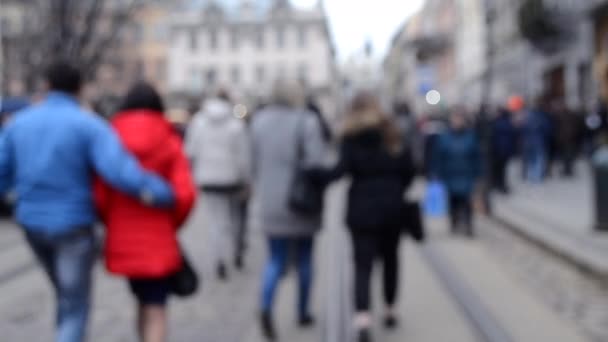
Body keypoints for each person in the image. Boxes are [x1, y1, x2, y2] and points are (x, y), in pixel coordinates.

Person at [0, 61, 175, 342]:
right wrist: (160, 192)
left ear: (46, 86)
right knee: (74, 305)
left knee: (64, 294)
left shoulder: (19, 123)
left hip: (32, 223)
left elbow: (2, 171)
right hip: (73, 226)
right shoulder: (88, 125)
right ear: (79, 89)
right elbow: (119, 172)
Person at [94, 83, 196, 342]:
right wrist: (172, 223)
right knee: (156, 307)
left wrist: (112, 223)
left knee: (142, 301)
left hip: (122, 238)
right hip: (159, 237)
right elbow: (185, 194)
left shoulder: (110, 139)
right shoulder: (169, 139)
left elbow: (99, 195)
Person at [322, 92, 415, 342]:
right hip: (392, 208)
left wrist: (312, 175)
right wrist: (396, 188)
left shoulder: (350, 137)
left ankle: (362, 318)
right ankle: (390, 309)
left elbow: (339, 171)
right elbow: (409, 169)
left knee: (362, 265)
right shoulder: (392, 132)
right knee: (391, 260)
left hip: (361, 208)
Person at [251, 80, 326, 341]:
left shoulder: (258, 121)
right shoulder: (307, 121)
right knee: (305, 258)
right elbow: (316, 161)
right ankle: (303, 311)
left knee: (275, 259)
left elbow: (252, 161)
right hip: (301, 201)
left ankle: (265, 307)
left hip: (270, 202)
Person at [185, 90, 250, 280]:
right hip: (231, 178)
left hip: (207, 178)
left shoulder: (198, 122)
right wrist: (246, 178)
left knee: (216, 221)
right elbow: (243, 157)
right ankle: (235, 251)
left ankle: (219, 258)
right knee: (233, 218)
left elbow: (190, 151)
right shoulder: (235, 124)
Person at [433, 110, 481, 237]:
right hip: (450, 174)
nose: (457, 122)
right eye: (455, 119)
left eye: (460, 119)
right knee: (453, 201)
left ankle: (468, 224)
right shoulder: (445, 137)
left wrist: (478, 173)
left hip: (466, 174)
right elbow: (439, 156)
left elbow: (477, 156)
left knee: (466, 201)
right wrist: (437, 173)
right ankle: (454, 221)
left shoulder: (471, 136)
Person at [522, 100, 551, 183]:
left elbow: (523, 130)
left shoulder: (527, 118)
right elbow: (547, 130)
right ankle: (537, 177)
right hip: (539, 142)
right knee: (538, 159)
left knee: (531, 160)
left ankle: (531, 176)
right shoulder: (542, 118)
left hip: (528, 142)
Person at [491, 108, 517, 193]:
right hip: (506, 151)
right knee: (503, 170)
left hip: (497, 150)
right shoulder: (509, 124)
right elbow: (514, 137)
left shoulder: (496, 123)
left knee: (498, 169)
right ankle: (501, 186)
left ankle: (498, 184)